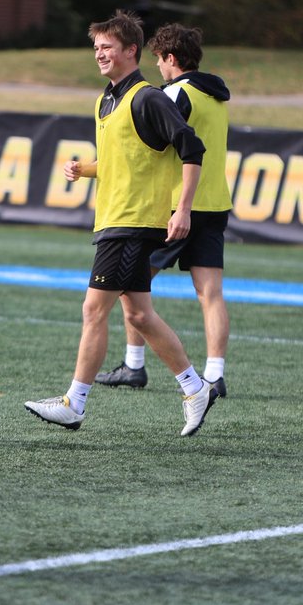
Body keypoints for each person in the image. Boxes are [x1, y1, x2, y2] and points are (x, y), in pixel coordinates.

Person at [24, 10, 216, 436]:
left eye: (107, 47)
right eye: (96, 48)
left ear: (132, 50)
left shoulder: (148, 98)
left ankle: (74, 403)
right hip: (113, 217)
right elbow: (121, 159)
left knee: (94, 309)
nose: (100, 54)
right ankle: (194, 386)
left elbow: (191, 146)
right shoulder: (105, 99)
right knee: (141, 316)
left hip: (133, 221)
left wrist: (182, 208)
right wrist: (86, 169)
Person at [96, 23, 233, 396]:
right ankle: (215, 374)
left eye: (159, 59)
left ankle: (134, 365)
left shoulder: (172, 94)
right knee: (211, 294)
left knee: (131, 284)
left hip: (175, 205)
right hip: (215, 201)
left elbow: (158, 147)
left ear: (171, 58)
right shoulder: (217, 96)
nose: (157, 67)